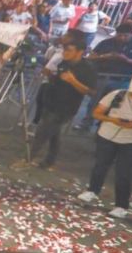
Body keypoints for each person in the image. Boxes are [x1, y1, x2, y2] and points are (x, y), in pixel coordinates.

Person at [19, 31, 97, 170]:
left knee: (42, 133)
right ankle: (50, 160)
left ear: (79, 52)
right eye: (65, 50)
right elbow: (58, 79)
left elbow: (91, 91)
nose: (65, 53)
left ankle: (27, 159)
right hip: (51, 101)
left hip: (65, 108)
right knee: (54, 134)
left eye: (69, 50)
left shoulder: (87, 69)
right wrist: (51, 76)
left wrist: (73, 81)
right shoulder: (64, 62)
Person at [77, 75, 132, 219]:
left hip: (130, 141)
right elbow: (96, 113)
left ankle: (121, 205)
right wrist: (113, 120)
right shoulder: (117, 95)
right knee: (100, 165)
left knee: (123, 173)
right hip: (106, 136)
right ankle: (92, 190)